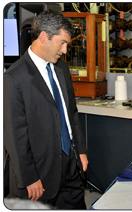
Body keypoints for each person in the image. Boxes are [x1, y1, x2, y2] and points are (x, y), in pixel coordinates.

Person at [4, 9, 88, 209]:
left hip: (71, 166)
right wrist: (29, 177)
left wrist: (81, 150)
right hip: (39, 176)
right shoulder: (14, 78)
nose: (66, 50)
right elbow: (14, 135)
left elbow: (71, 114)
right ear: (44, 37)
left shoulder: (62, 69)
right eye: (62, 43)